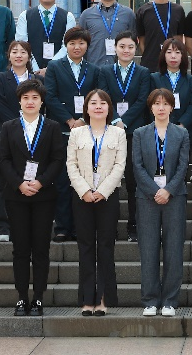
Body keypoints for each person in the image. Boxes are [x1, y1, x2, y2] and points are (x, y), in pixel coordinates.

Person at [0, 78, 66, 315]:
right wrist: (19, 183)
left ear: (41, 101)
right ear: (19, 101)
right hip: (16, 195)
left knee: (41, 248)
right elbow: (3, 159)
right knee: (20, 248)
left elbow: (58, 159)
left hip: (44, 195)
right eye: (25, 98)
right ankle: (21, 297)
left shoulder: (52, 127)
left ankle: (38, 298)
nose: (30, 102)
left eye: (35, 98)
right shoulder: (9, 127)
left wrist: (40, 181)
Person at [66, 89, 127, 316]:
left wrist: (102, 190)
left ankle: (103, 298)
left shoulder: (118, 133)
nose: (98, 106)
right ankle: (86, 299)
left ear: (109, 108)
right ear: (87, 108)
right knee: (85, 247)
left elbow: (120, 165)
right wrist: (84, 190)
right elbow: (71, 164)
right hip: (82, 196)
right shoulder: (76, 133)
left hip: (107, 196)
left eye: (103, 103)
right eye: (93, 103)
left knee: (105, 247)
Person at [133, 88, 191, 317]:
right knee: (148, 249)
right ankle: (150, 300)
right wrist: (154, 190)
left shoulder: (181, 134)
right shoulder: (140, 133)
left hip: (174, 196)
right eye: (157, 103)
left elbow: (183, 166)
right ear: (151, 107)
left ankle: (169, 300)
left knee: (174, 248)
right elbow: (137, 166)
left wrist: (168, 190)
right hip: (146, 197)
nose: (161, 107)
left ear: (171, 107)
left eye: (165, 103)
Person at [45, 26, 104, 241]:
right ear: (66, 45)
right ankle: (62, 227)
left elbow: (99, 98)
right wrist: (70, 120)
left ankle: (81, 227)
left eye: (81, 43)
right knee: (62, 181)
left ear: (87, 46)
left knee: (85, 181)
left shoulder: (94, 70)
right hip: (62, 131)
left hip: (88, 132)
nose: (77, 47)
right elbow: (50, 97)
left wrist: (84, 120)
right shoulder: (54, 67)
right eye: (72, 43)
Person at [0, 40, 42, 243]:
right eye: (14, 52)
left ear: (29, 56)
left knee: (30, 178)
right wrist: (18, 125)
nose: (19, 55)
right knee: (4, 181)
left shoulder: (37, 79)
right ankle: (1, 226)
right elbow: (0, 105)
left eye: (23, 52)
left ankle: (27, 224)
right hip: (6, 134)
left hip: (34, 135)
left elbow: (41, 105)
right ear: (8, 55)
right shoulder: (0, 78)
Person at [104, 31, 151, 241]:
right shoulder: (105, 71)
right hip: (110, 132)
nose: (126, 50)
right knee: (108, 181)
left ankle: (134, 226)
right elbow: (104, 97)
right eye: (122, 46)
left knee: (133, 181)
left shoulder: (143, 72)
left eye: (130, 47)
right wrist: (115, 120)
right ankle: (109, 227)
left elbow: (143, 100)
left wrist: (125, 122)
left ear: (136, 48)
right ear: (115, 48)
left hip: (134, 132)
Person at [15, 0, 77, 69]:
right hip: (31, 70)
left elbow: (68, 46)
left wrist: (51, 67)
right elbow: (22, 44)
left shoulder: (68, 17)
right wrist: (34, 68)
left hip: (60, 70)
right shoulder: (25, 16)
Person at [78, 0, 136, 67]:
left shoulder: (128, 14)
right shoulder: (86, 15)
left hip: (121, 69)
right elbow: (80, 43)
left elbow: (133, 41)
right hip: (94, 69)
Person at [137, 0, 186, 72]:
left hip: (172, 66)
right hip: (149, 65)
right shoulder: (143, 10)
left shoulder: (178, 10)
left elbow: (179, 38)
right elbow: (142, 40)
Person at [150, 36, 192, 131]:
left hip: (184, 130)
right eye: (169, 52)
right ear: (163, 55)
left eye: (177, 52)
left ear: (183, 55)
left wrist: (182, 124)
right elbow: (151, 104)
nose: (173, 56)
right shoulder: (154, 78)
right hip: (159, 129)